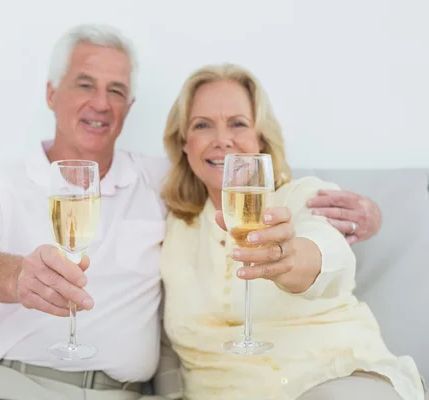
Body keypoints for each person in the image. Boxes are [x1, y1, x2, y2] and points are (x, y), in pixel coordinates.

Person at [0, 23, 384, 400]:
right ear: (52, 93)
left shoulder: (158, 184)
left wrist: (369, 214)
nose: (101, 103)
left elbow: (313, 231)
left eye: (116, 91)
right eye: (84, 84)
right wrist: (16, 277)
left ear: (129, 107)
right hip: (6, 384)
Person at [158, 63, 427, 400]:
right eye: (202, 125)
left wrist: (287, 258)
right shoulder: (171, 225)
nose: (221, 139)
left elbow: (328, 251)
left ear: (260, 138)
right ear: (184, 142)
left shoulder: (301, 195)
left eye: (238, 123)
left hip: (336, 379)